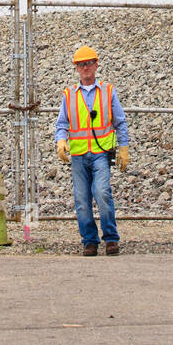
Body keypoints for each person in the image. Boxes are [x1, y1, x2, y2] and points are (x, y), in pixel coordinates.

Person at [55, 45, 130, 256]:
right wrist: (61, 142)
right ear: (76, 68)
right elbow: (62, 124)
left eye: (89, 63)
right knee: (81, 200)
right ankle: (89, 241)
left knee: (102, 193)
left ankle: (111, 239)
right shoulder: (69, 95)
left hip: (100, 154)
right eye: (81, 64)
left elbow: (120, 122)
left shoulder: (107, 91)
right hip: (78, 156)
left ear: (96, 65)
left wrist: (123, 147)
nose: (86, 67)